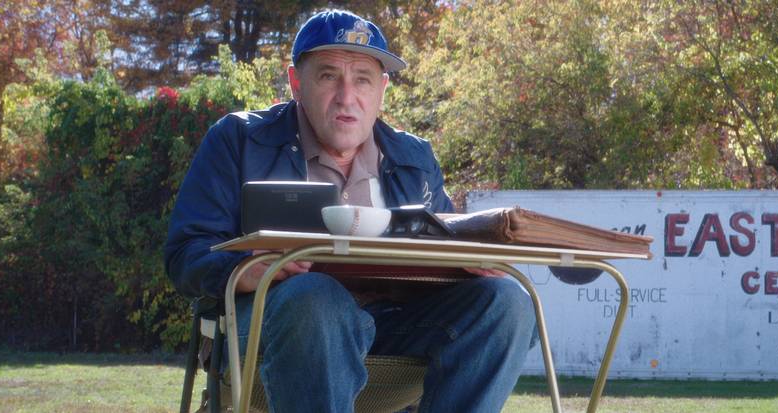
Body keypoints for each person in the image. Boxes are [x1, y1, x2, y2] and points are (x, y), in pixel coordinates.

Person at [165, 9, 536, 412]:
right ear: (296, 83)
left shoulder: (414, 158)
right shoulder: (238, 140)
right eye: (328, 76)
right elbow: (185, 253)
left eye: (362, 79)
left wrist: (468, 263)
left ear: (382, 90)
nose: (347, 96)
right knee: (316, 297)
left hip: (395, 326)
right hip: (267, 330)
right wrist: (241, 271)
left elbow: (443, 241)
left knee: (508, 300)